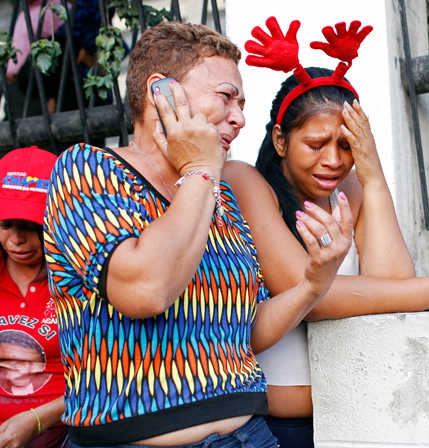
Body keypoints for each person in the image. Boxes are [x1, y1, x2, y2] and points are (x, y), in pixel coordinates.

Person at [43, 21, 352, 448]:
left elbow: (241, 332)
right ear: (161, 92)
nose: (240, 118)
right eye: (226, 97)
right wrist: (199, 170)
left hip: (251, 436)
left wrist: (313, 284)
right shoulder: (89, 169)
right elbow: (146, 290)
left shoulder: (219, 192)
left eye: (242, 103)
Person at [222, 17, 429, 447]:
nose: (333, 160)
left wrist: (373, 176)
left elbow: (392, 288)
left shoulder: (352, 187)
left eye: (346, 145)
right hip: (280, 428)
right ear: (281, 140)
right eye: (316, 145)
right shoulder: (245, 182)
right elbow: (309, 296)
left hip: (362, 417)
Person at [0, 146, 67, 448]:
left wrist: (36, 419)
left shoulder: (80, 281)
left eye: (30, 226)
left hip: (63, 431)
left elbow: (107, 379)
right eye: (4, 225)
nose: (15, 239)